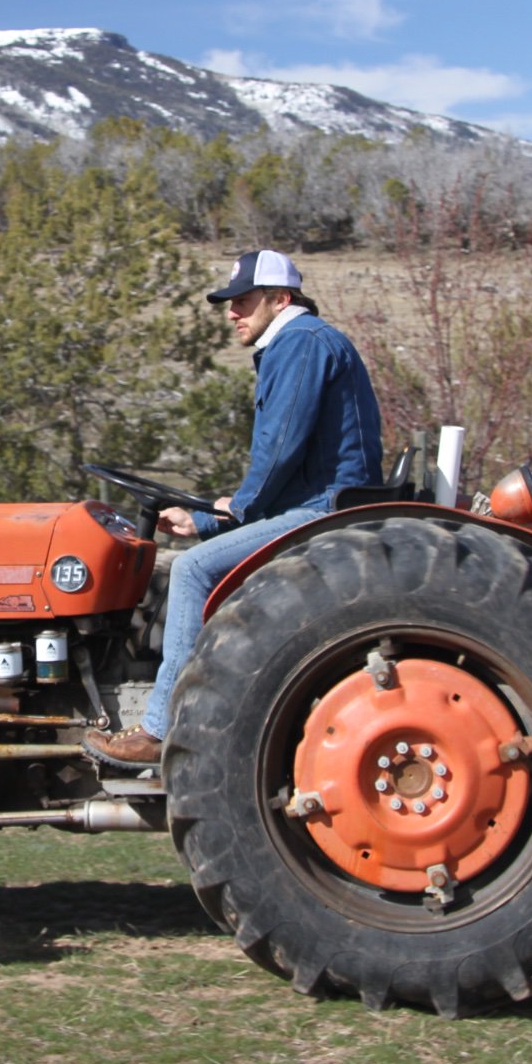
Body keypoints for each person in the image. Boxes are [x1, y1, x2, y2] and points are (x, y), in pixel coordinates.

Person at [85, 248, 383, 769]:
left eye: (242, 301)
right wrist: (206, 517)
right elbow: (284, 466)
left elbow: (280, 447)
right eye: (231, 302)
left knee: (195, 568)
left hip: (327, 511)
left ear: (280, 299)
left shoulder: (301, 343)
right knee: (198, 553)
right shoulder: (297, 344)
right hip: (317, 503)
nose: (232, 313)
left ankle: (160, 729)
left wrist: (237, 509)